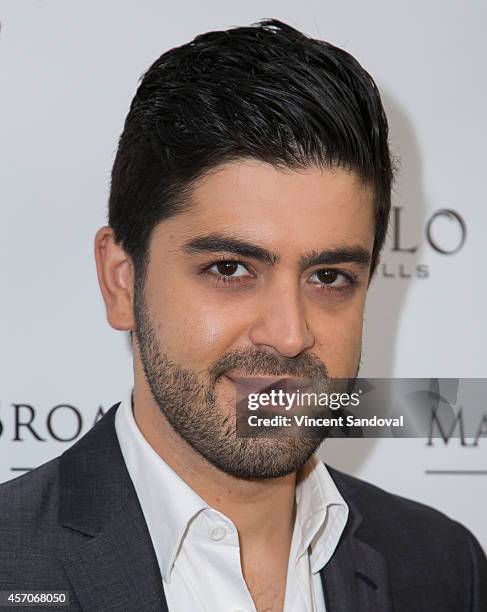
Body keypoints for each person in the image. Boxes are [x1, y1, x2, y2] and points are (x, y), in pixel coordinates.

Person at [0, 19, 485, 612]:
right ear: (122, 281)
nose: (289, 335)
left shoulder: (441, 566)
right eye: (230, 269)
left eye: (329, 277)